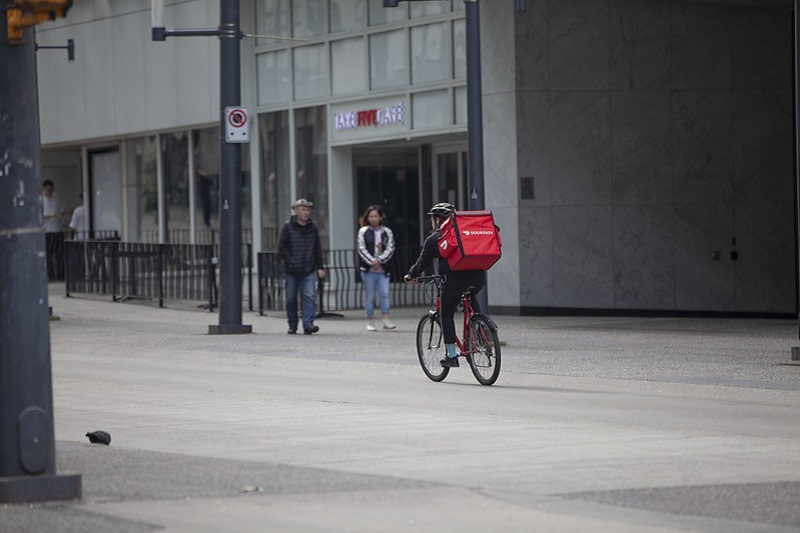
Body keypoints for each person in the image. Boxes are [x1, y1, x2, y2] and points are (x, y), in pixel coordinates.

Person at [404, 202, 486, 368]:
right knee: (470, 296)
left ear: (437, 219)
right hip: (478, 276)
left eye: (433, 219)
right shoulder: (466, 233)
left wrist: (410, 275)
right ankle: (480, 328)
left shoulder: (436, 238)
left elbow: (422, 263)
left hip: (454, 280)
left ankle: (451, 356)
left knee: (446, 313)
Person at [277, 198, 325, 335]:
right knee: (291, 298)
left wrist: (319, 267)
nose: (306, 213)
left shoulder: (312, 227)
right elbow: (281, 247)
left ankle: (308, 324)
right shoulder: (288, 227)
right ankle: (292, 324)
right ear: (296, 211)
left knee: (309, 296)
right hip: (292, 270)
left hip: (308, 268)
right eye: (303, 210)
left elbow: (317, 248)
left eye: (308, 210)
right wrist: (290, 262)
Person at [357, 205, 396, 331]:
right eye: (371, 216)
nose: (373, 219)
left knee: (384, 293)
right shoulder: (363, 231)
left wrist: (380, 260)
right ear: (367, 218)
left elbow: (390, 248)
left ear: (380, 217)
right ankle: (370, 320)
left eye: (376, 216)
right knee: (370, 296)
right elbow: (361, 248)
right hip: (369, 270)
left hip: (383, 269)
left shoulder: (387, 232)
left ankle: (385, 319)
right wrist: (371, 261)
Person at [42, 180, 65, 280]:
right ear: (44, 189)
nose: (50, 192)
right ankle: (50, 276)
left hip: (57, 229)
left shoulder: (56, 197)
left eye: (51, 190)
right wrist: (53, 216)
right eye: (48, 190)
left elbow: (61, 210)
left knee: (59, 254)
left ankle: (60, 275)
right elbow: (41, 215)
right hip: (47, 230)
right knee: (49, 255)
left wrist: (64, 212)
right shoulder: (40, 199)